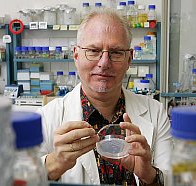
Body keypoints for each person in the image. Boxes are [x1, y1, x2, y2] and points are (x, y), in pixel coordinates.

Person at [38, 8, 171, 186]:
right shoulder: (46, 117)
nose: (104, 63)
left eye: (116, 52)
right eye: (93, 50)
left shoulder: (155, 112)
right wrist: (55, 163)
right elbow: (17, 178)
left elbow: (173, 179)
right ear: (76, 55)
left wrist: (149, 175)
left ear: (129, 59)